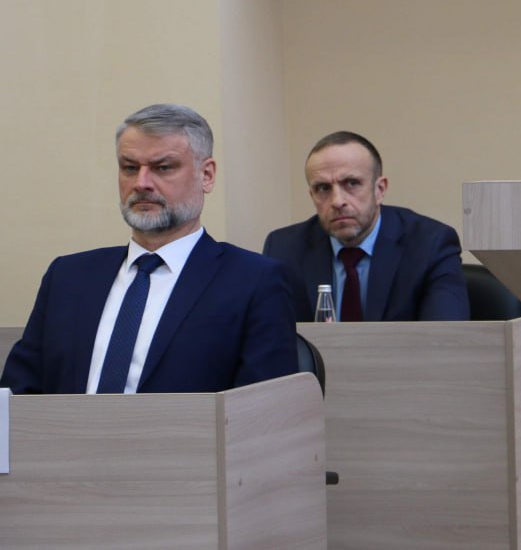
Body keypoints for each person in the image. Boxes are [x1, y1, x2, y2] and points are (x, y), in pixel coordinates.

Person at [1, 103, 299, 395]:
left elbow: (265, 410)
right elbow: (16, 395)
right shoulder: (68, 277)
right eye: (130, 168)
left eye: (163, 168)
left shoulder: (254, 281)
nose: (141, 183)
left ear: (206, 175)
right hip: (65, 430)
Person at [263, 131, 469, 322]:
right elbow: (269, 335)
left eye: (352, 183)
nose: (337, 201)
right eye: (323, 188)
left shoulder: (430, 244)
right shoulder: (284, 249)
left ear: (379, 190)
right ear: (312, 196)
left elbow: (445, 339)